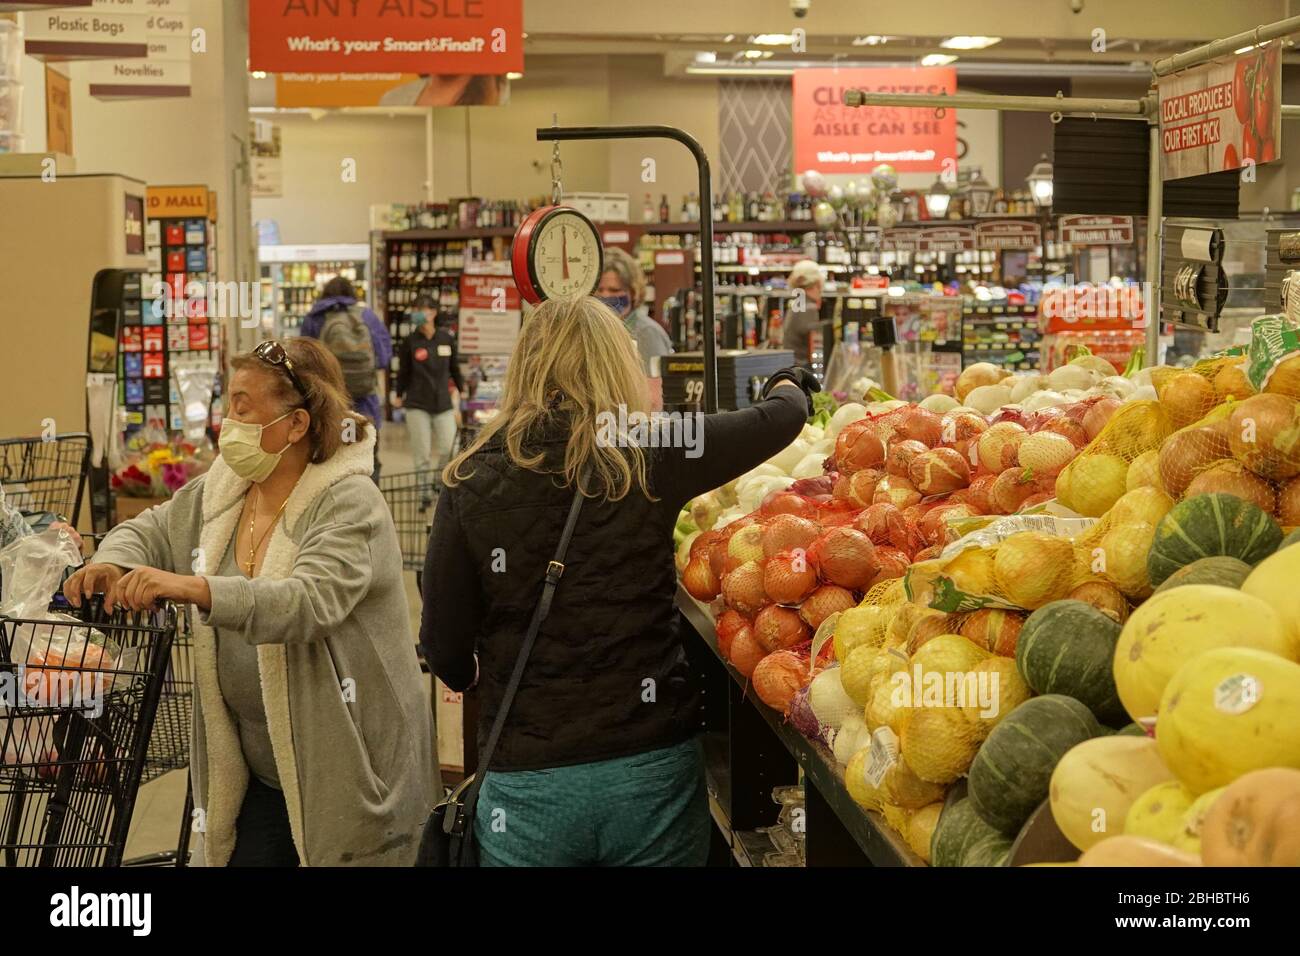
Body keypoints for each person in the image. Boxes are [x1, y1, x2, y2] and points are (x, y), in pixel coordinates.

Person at [420, 295, 818, 867]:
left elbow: (444, 647)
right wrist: (789, 383)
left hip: (530, 782)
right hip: (648, 768)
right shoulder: (648, 449)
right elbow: (772, 423)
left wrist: (488, 669)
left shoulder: (473, 476)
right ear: (615, 364)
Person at [63, 339, 434, 867]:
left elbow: (310, 602)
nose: (226, 423)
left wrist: (193, 586)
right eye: (226, 404)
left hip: (343, 766)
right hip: (259, 773)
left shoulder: (350, 502)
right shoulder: (226, 491)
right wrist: (113, 562)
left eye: (242, 406)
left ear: (297, 424)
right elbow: (153, 527)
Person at [300, 276, 392, 480]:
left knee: (332, 459)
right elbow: (384, 357)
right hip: (365, 404)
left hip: (329, 405)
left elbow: (304, 361)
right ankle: (367, 502)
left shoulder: (315, 318)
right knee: (366, 456)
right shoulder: (367, 316)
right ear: (352, 294)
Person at [394, 295, 465, 506]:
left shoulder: (446, 339)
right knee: (422, 454)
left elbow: (454, 368)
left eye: (421, 309)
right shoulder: (410, 342)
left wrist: (462, 390)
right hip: (417, 404)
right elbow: (403, 372)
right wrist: (399, 394)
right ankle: (424, 495)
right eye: (415, 309)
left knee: (450, 449)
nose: (417, 313)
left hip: (443, 403)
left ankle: (437, 482)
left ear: (433, 312)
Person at [595, 247, 673, 378]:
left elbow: (655, 391)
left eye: (614, 290)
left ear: (633, 292)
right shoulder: (598, 329)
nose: (606, 297)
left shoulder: (647, 333)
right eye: (599, 289)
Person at [782, 259, 827, 367]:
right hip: (801, 369)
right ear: (817, 283)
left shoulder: (799, 302)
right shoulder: (808, 307)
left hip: (791, 365)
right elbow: (814, 348)